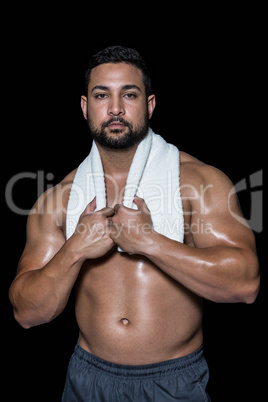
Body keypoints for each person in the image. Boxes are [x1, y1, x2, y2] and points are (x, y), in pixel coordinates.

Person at [9, 46, 260, 401]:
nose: (115, 108)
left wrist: (148, 240)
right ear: (85, 107)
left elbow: (245, 284)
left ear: (150, 104)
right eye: (101, 95)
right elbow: (26, 312)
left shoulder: (199, 182)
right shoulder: (59, 200)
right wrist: (75, 248)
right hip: (87, 380)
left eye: (129, 94)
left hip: (172, 381)